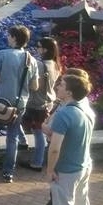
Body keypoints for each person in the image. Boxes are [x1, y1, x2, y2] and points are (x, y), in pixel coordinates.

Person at [40, 73, 94, 205]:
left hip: (67, 170)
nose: (57, 87)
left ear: (69, 92)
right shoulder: (86, 110)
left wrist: (50, 170)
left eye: (61, 85)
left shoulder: (64, 114)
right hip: (84, 165)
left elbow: (54, 148)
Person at [0, 25, 39, 183]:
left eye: (9, 35)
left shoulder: (2, 54)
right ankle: (8, 172)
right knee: (12, 137)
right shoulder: (31, 60)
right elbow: (34, 87)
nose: (7, 37)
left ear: (14, 38)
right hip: (19, 105)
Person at [22, 36, 60, 172]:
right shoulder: (55, 64)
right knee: (42, 132)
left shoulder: (40, 64)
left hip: (37, 103)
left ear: (45, 49)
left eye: (38, 46)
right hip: (49, 101)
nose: (37, 49)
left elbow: (35, 86)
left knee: (38, 133)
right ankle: (40, 159)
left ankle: (37, 163)